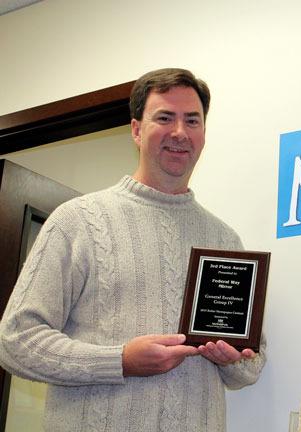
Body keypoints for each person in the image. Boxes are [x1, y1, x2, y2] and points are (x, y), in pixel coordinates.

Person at [0, 68, 266, 431]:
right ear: (137, 130)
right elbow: (16, 340)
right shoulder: (77, 221)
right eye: (164, 118)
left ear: (203, 134)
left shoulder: (225, 240)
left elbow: (249, 368)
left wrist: (233, 359)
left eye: (192, 120)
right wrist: (120, 360)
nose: (179, 132)